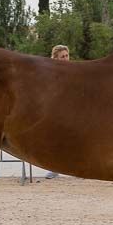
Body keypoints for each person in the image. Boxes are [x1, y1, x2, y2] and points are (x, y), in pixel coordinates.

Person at [44, 45, 70, 179]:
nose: (66, 59)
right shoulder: (51, 73)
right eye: (62, 56)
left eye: (67, 56)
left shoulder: (75, 71)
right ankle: (54, 168)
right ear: (55, 58)